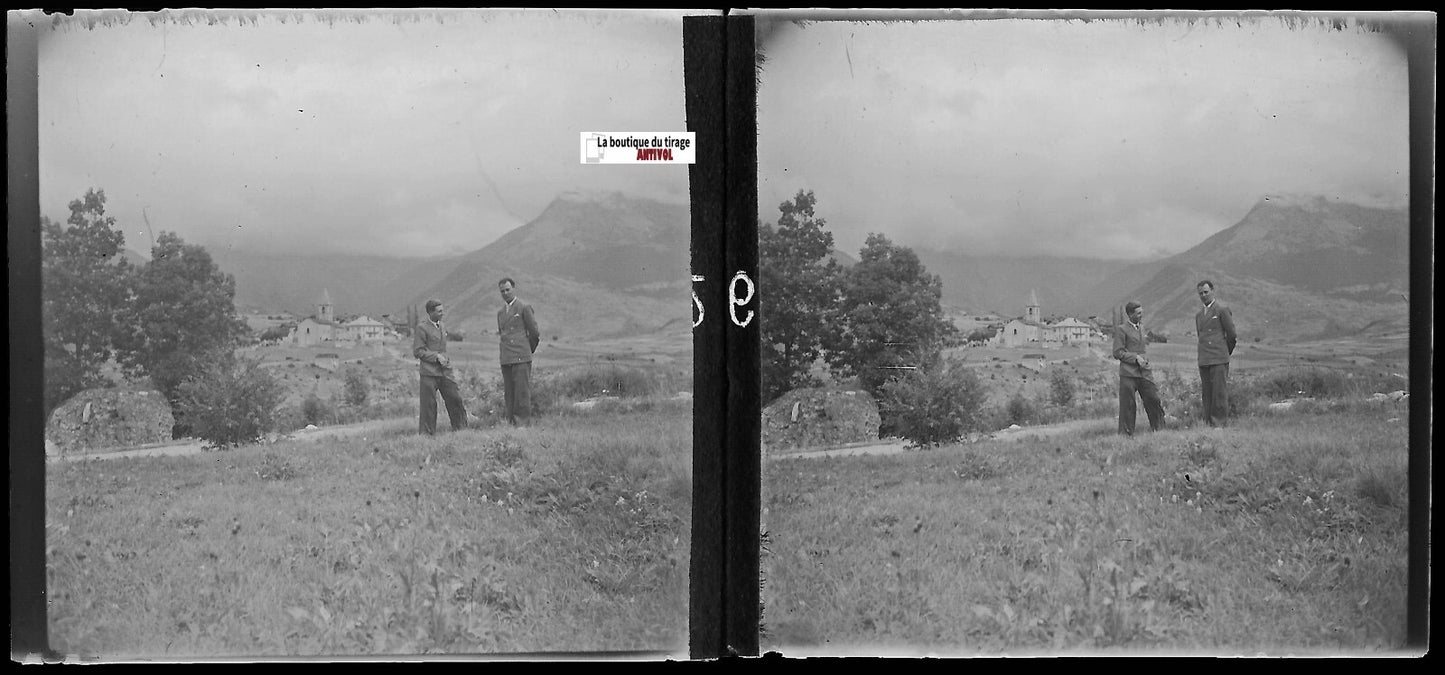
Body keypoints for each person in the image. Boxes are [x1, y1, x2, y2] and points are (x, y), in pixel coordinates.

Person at [413, 299, 468, 435]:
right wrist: (436, 356)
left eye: (442, 310)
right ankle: (427, 435)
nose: (442, 313)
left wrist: (445, 360)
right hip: (429, 373)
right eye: (439, 311)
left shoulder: (442, 325)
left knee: (455, 398)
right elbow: (418, 351)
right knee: (429, 406)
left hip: (445, 371)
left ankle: (461, 430)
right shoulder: (421, 328)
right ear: (431, 312)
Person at [1113, 301, 1165, 436]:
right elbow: (1117, 352)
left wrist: (1145, 361)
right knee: (1128, 406)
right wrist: (1135, 357)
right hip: (1128, 374)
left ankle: (1159, 429)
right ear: (1130, 314)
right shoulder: (1121, 329)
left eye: (1142, 312)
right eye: (1138, 313)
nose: (1141, 315)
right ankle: (1126, 435)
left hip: (1144, 372)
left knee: (1153, 399)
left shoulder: (1141, 327)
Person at [497, 278, 540, 425]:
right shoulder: (501, 313)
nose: (505, 293)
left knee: (521, 391)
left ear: (514, 289)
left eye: (508, 290)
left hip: (521, 356)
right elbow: (502, 334)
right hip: (506, 357)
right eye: (502, 291)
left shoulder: (524, 307)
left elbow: (534, 333)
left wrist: (527, 350)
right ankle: (511, 422)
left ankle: (522, 423)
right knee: (509, 392)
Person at [1195, 280, 1238, 427]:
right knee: (1207, 393)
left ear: (1212, 291)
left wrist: (1225, 352)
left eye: (1206, 292)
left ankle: (1219, 423)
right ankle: (1208, 423)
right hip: (1204, 359)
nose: (1203, 295)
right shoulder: (1199, 315)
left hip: (1219, 358)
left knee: (1219, 393)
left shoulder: (1222, 310)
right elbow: (1200, 336)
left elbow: (1232, 335)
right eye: (1200, 293)